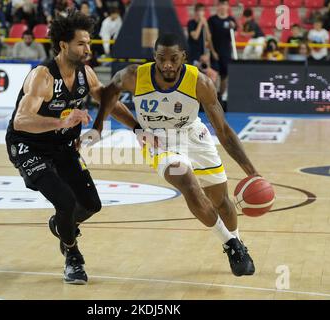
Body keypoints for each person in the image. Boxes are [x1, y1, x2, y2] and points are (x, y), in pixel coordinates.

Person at [94, 33, 258, 277]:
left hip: (193, 135)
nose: (167, 64)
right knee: (188, 184)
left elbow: (223, 130)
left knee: (222, 202)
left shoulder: (200, 82)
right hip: (158, 140)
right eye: (161, 58)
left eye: (173, 58)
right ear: (154, 57)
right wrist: (100, 127)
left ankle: (236, 242)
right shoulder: (134, 75)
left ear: (184, 57)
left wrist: (253, 173)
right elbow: (108, 94)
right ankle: (230, 244)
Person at [5, 11, 137, 284]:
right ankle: (72, 256)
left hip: (62, 146)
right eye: (81, 44)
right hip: (28, 146)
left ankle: (60, 226)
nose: (88, 49)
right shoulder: (41, 76)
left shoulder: (85, 74)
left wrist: (138, 128)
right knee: (64, 201)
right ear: (63, 45)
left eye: (89, 43)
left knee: (91, 204)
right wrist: (62, 119)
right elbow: (21, 121)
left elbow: (108, 102)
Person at [208, 0, 237, 106]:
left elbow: (235, 33)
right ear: (218, 6)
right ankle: (213, 96)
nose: (223, 7)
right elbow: (209, 37)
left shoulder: (231, 20)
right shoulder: (212, 20)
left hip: (226, 53)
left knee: (224, 76)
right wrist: (212, 51)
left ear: (227, 6)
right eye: (221, 5)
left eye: (224, 5)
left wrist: (233, 26)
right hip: (215, 52)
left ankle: (220, 95)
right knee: (214, 75)